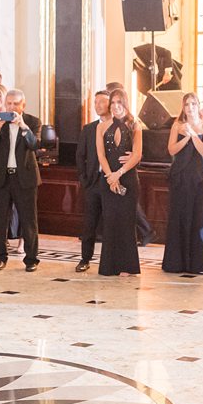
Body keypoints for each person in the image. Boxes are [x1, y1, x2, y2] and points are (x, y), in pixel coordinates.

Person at [0, 89, 41, 272]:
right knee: (0, 220)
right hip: (2, 177)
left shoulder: (33, 122)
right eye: (9, 103)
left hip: (25, 177)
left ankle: (31, 258)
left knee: (28, 220)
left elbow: (34, 145)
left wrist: (23, 126)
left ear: (23, 105)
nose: (11, 107)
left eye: (16, 103)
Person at [163, 92, 203, 277]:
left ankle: (198, 262)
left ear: (198, 106)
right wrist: (185, 136)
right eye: (187, 104)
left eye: (193, 104)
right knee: (179, 217)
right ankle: (176, 262)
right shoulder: (177, 125)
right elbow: (171, 149)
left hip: (198, 177)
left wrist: (193, 135)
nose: (190, 107)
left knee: (198, 218)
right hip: (180, 176)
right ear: (183, 107)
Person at [95, 88, 142, 277]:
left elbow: (137, 154)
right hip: (108, 180)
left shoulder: (135, 125)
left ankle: (128, 266)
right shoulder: (101, 127)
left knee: (126, 223)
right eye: (112, 103)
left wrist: (120, 173)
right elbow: (101, 154)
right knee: (110, 222)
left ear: (125, 103)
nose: (115, 106)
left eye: (119, 103)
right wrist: (110, 176)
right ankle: (110, 266)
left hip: (128, 179)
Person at [75, 90, 111, 273]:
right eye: (95, 102)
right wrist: (84, 178)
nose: (97, 105)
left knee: (111, 223)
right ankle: (85, 258)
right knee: (89, 223)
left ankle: (110, 260)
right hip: (93, 182)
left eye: (101, 102)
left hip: (111, 181)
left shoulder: (117, 127)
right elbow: (80, 156)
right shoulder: (89, 129)